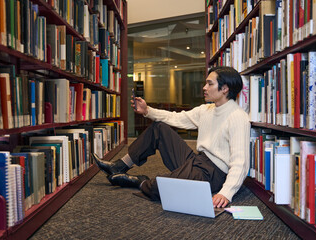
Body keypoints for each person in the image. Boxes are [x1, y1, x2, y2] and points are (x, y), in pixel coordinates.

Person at [92, 66, 251, 208]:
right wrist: (148, 111)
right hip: (197, 160)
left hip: (214, 173)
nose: (204, 87)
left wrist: (226, 193)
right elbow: (177, 118)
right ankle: (120, 165)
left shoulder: (238, 117)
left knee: (164, 187)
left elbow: (240, 162)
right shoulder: (206, 110)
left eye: (210, 84)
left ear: (225, 89)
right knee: (159, 128)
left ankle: (141, 181)